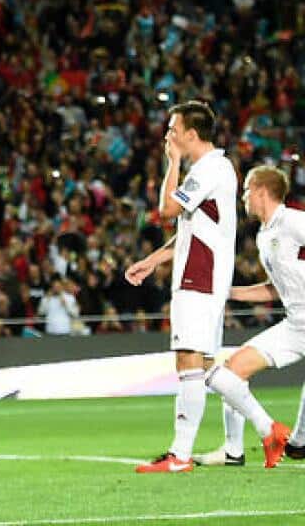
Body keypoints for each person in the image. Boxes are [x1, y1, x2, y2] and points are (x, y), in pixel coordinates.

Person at [124, 101, 243, 473]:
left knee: (189, 362)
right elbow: (191, 233)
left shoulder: (209, 169)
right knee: (206, 368)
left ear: (191, 134)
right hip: (203, 278)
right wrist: (152, 260)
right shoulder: (212, 170)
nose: (168, 136)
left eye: (173, 130)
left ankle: (180, 455)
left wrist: (172, 162)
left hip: (199, 280)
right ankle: (261, 431)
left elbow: (167, 210)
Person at [203, 165, 298, 468]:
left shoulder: (292, 221)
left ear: (261, 191)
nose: (243, 196)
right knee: (231, 372)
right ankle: (234, 450)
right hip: (296, 324)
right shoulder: (263, 235)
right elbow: (273, 290)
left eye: (246, 190)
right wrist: (227, 293)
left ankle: (280, 437)